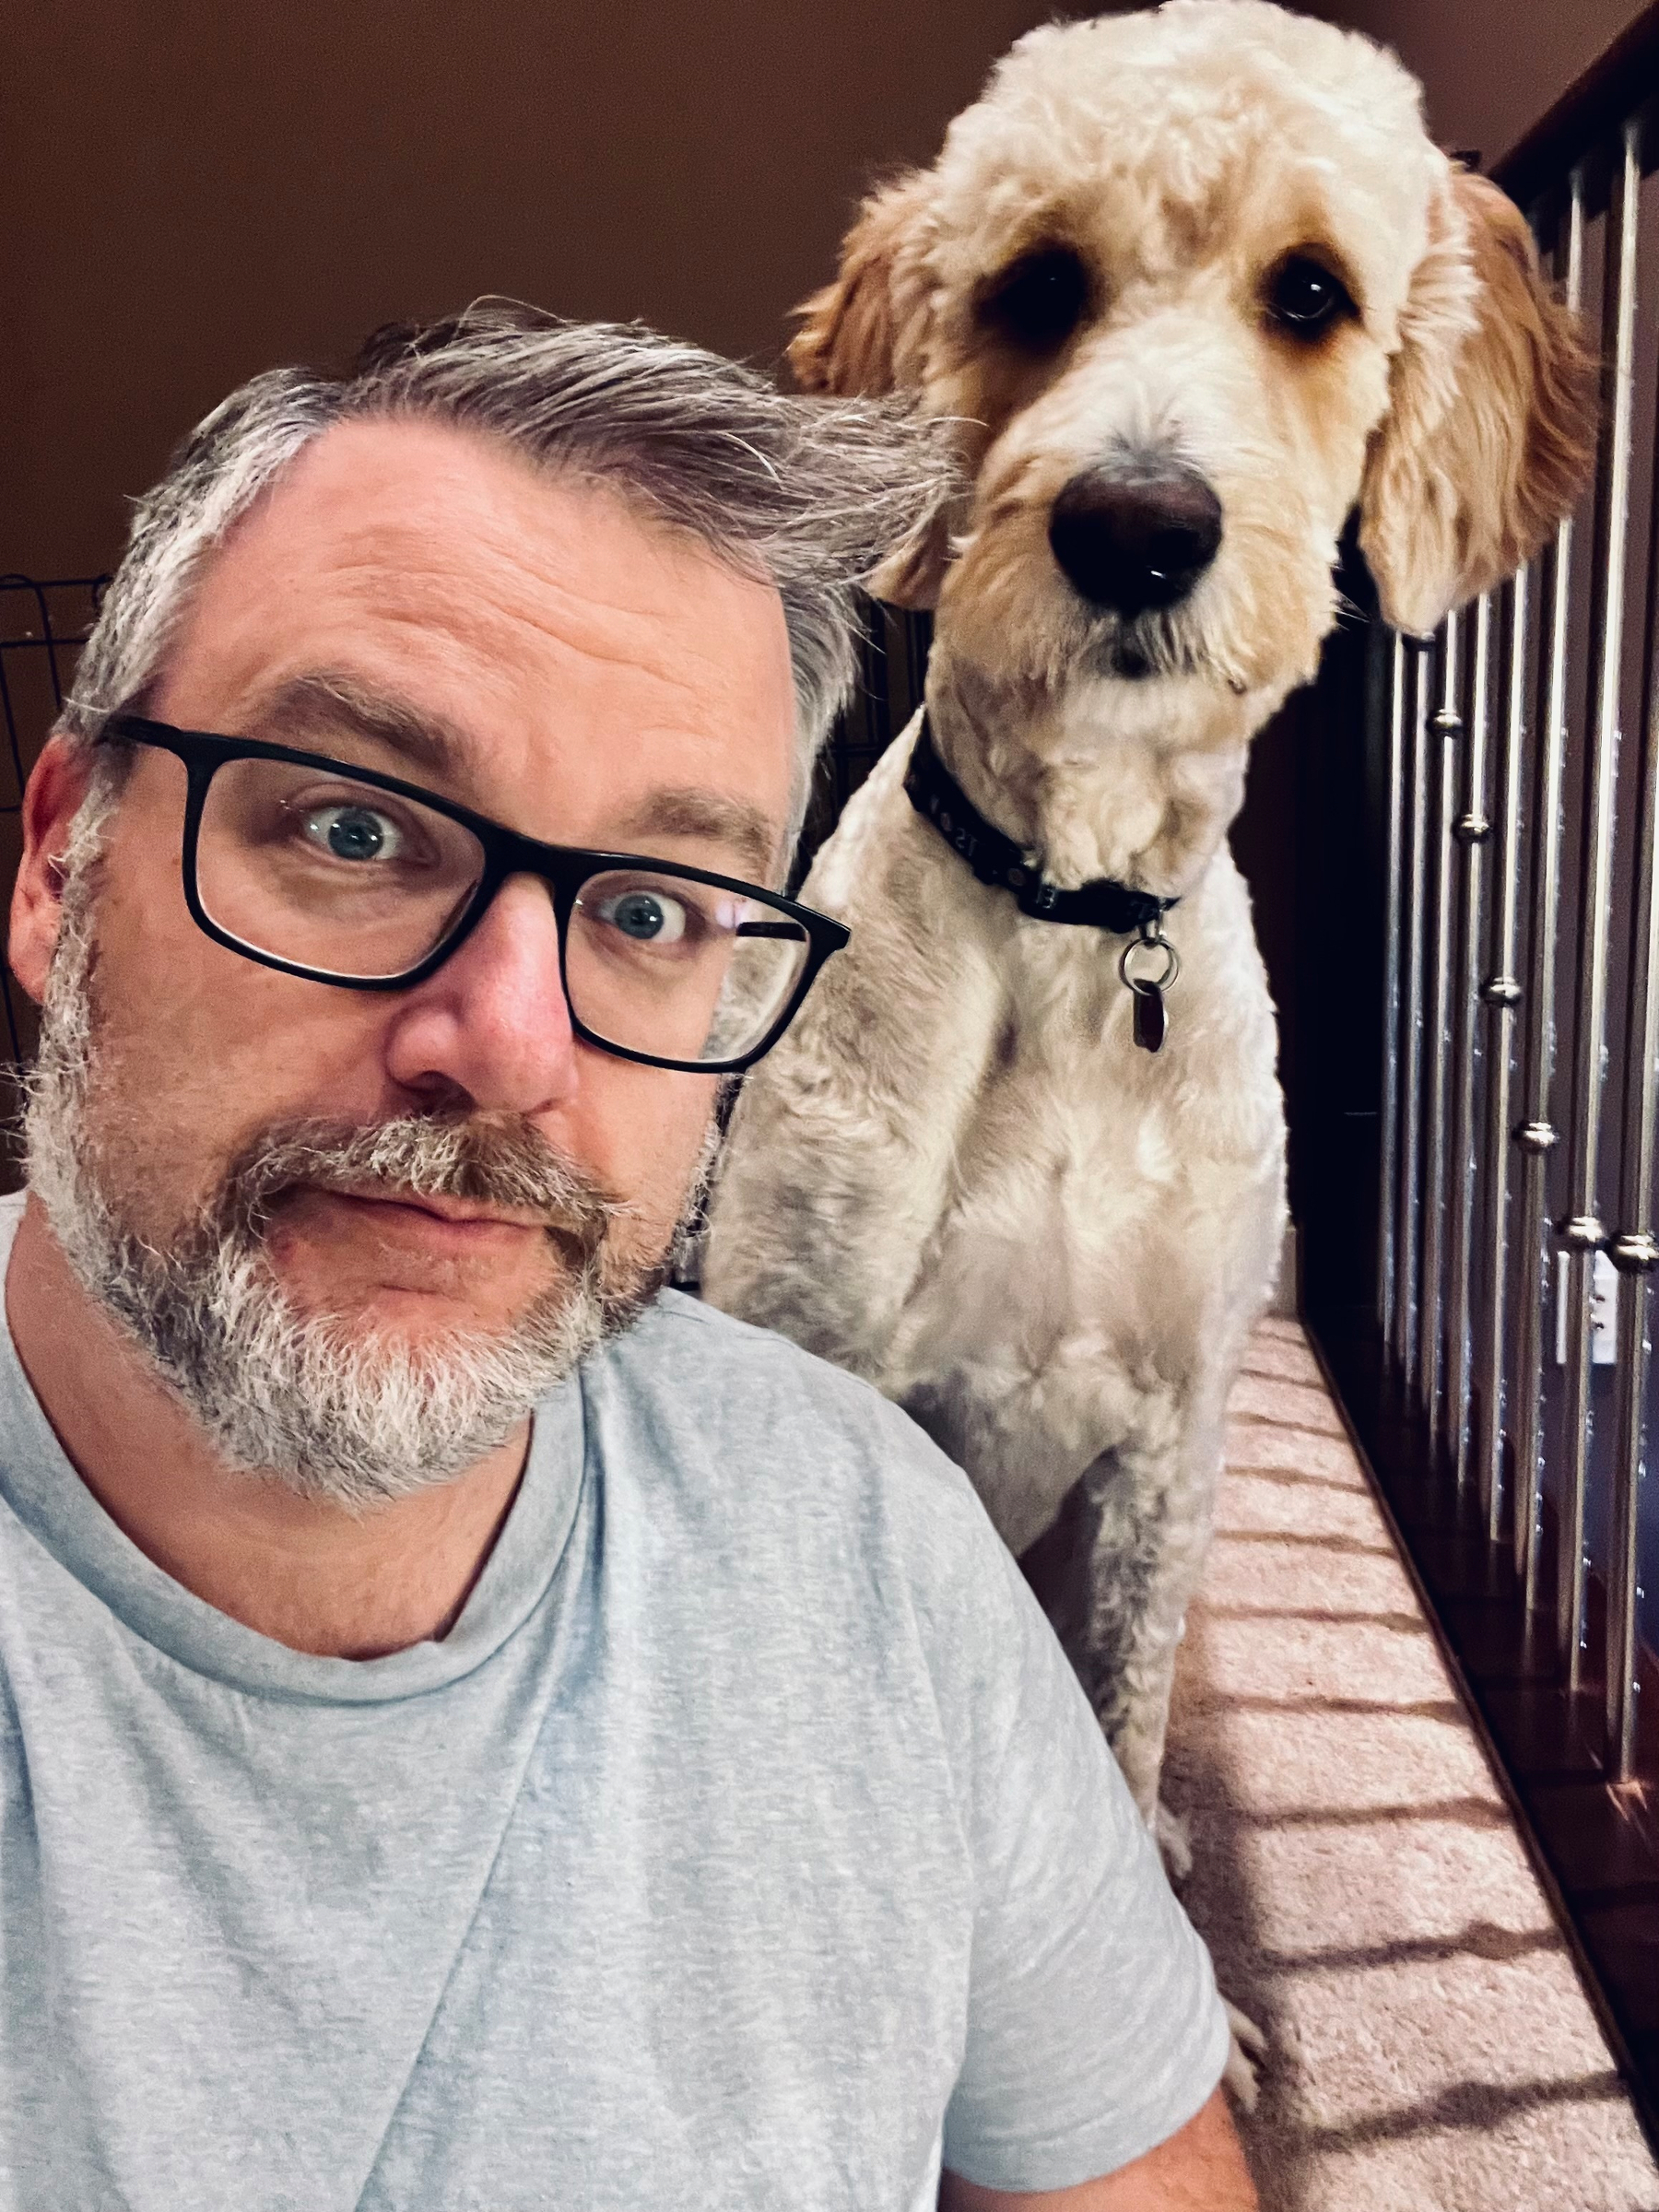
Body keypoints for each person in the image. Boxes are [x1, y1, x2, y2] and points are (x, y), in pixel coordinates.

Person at [0, 305, 1255, 2212]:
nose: (509, 1043)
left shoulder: (866, 1550)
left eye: (655, 907)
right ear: (61, 858)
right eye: (353, 827)